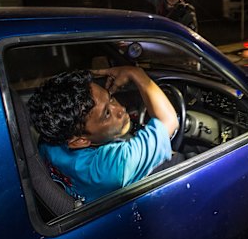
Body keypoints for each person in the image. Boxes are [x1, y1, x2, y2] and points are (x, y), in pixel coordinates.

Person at [28, 65, 180, 203]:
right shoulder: (109, 168)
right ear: (80, 141)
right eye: (107, 114)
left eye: (111, 98)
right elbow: (169, 121)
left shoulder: (48, 141)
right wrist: (136, 73)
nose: (121, 110)